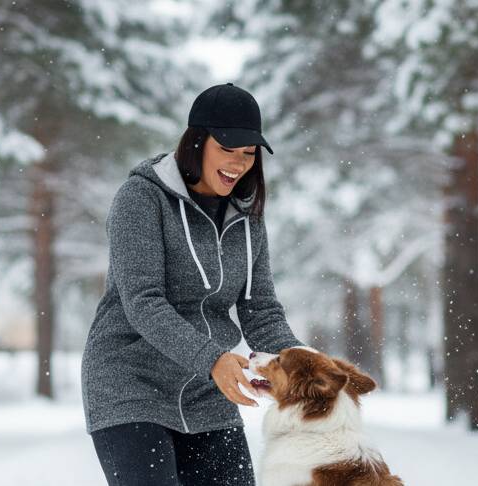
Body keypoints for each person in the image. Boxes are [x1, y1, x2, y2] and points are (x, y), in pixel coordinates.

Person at [81, 83, 310, 485]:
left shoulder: (247, 216)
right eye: (228, 149)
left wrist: (305, 363)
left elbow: (260, 309)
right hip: (131, 386)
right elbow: (143, 302)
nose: (238, 164)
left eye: (249, 153)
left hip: (206, 395)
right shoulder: (142, 198)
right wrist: (212, 359)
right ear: (197, 142)